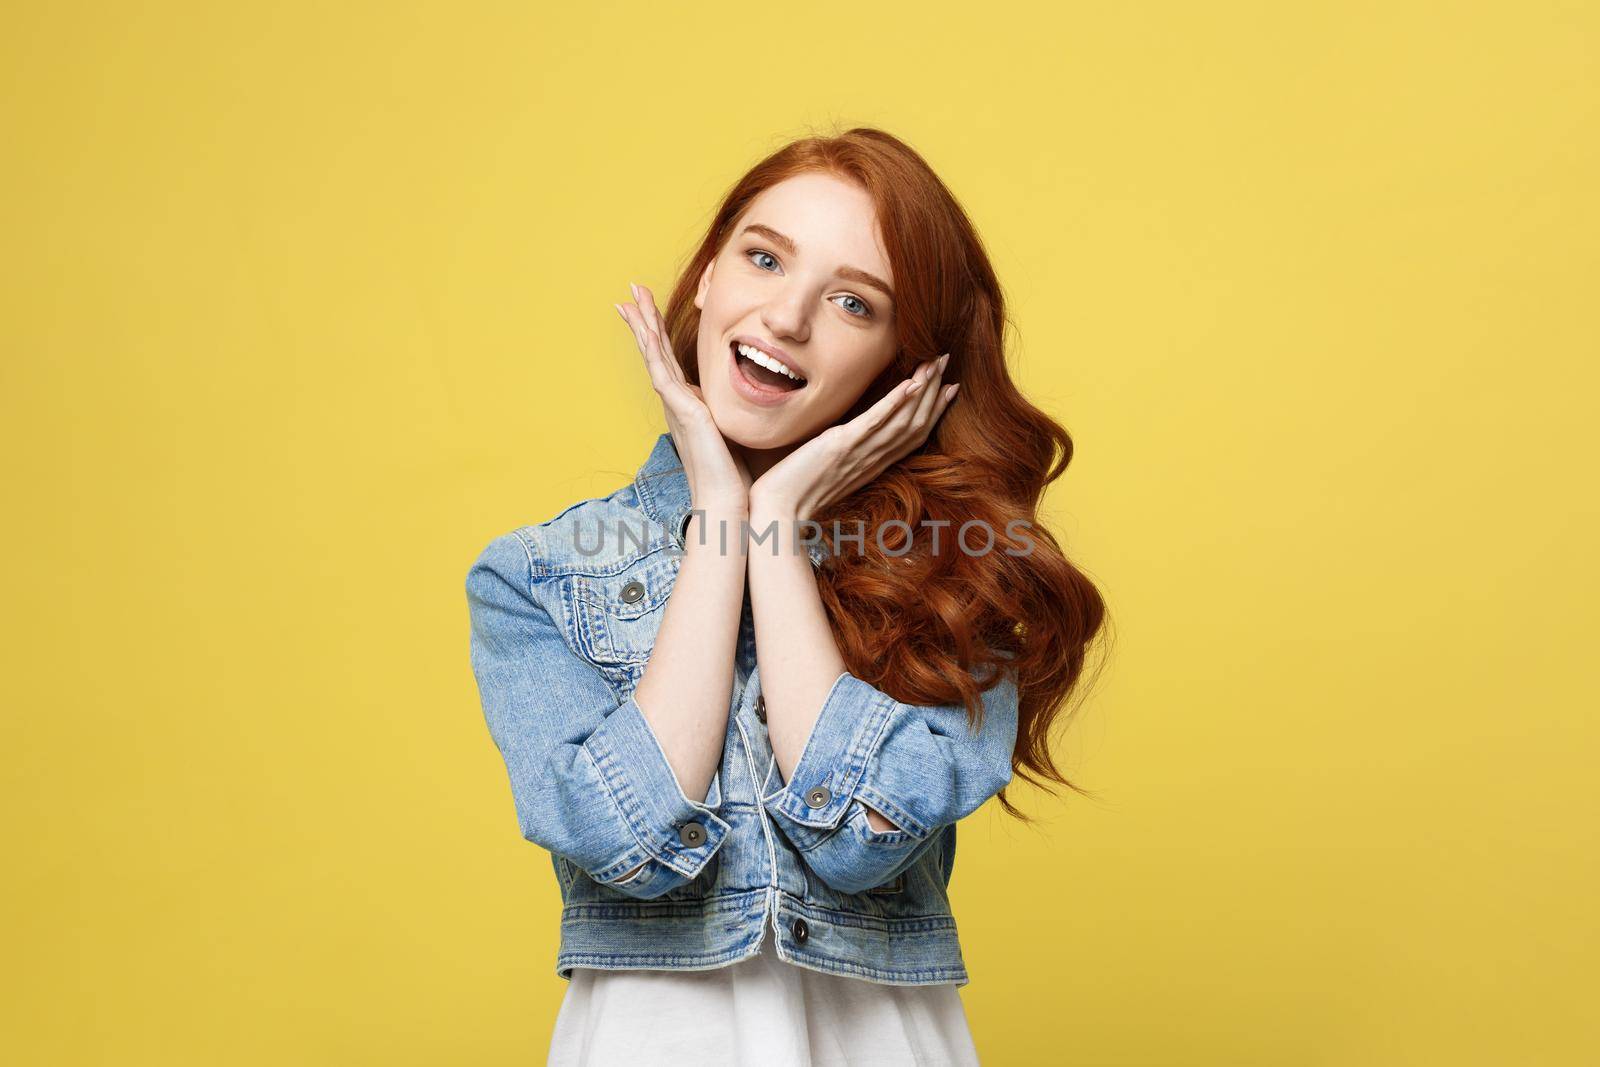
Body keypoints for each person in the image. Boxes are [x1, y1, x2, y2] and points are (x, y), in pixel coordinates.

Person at [465, 127, 1109, 1066]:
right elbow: (626, 843)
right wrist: (720, 510)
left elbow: (859, 838)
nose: (788, 317)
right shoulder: (537, 575)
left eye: (854, 302)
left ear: (903, 360)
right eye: (764, 259)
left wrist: (773, 526)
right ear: (706, 279)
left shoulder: (964, 574)